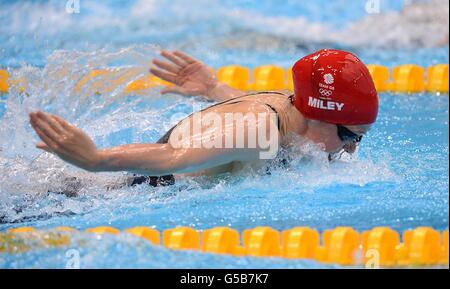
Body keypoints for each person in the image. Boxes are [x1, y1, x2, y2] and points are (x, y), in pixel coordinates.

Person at [29, 49, 378, 187]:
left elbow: (243, 104)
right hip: (113, 191)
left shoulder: (290, 107)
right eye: (350, 137)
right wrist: (96, 159)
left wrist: (214, 87)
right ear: (317, 117)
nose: (349, 151)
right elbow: (172, 158)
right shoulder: (259, 132)